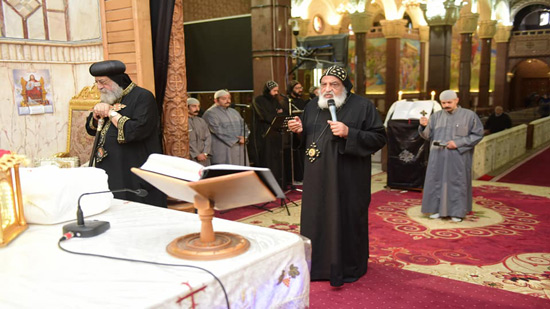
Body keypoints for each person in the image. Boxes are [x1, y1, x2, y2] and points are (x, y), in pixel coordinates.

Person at [287, 65, 387, 287]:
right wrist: (300, 131)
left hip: (347, 179)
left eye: (334, 84)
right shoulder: (312, 106)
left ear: (345, 86)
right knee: (316, 218)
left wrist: (350, 133)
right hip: (316, 178)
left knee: (345, 219)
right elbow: (308, 140)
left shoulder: (362, 106)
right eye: (324, 84)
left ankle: (347, 266)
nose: (327, 89)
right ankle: (318, 265)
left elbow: (379, 138)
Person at [85, 60, 166, 207]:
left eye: (103, 82)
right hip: (110, 167)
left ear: (117, 80)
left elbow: (136, 131)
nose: (99, 87)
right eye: (96, 82)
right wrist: (97, 114)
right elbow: (91, 128)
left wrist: (110, 112)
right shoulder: (110, 95)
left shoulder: (143, 97)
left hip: (133, 167)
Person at [419, 90, 483, 222]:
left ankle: (457, 212)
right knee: (436, 182)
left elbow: (477, 135)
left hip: (458, 157)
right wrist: (422, 126)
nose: (446, 105)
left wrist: (458, 143)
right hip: (438, 156)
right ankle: (436, 209)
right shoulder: (436, 116)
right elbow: (427, 136)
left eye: (449, 102)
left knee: (456, 183)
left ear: (457, 100)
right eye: (443, 103)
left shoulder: (469, 115)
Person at [252, 80, 287, 186]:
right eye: (274, 90)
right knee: (267, 158)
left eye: (277, 90)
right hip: (264, 134)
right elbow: (264, 116)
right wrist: (276, 115)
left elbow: (282, 112)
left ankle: (279, 183)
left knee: (277, 158)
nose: (276, 93)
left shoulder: (275, 100)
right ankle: (268, 184)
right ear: (268, 90)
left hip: (276, 133)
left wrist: (278, 115)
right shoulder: (258, 100)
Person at [203, 89, 249, 165]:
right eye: (224, 99)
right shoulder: (210, 113)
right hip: (224, 148)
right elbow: (218, 130)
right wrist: (237, 140)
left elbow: (244, 125)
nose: (228, 101)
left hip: (240, 146)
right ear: (216, 100)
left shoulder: (234, 111)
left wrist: (245, 136)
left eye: (229, 98)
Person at [187, 97, 211, 166]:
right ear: (187, 107)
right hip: (191, 157)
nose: (197, 109)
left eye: (198, 106)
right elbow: (186, 141)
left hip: (204, 157)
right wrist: (196, 154)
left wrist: (205, 153)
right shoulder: (183, 122)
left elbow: (208, 137)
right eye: (194, 106)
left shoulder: (201, 121)